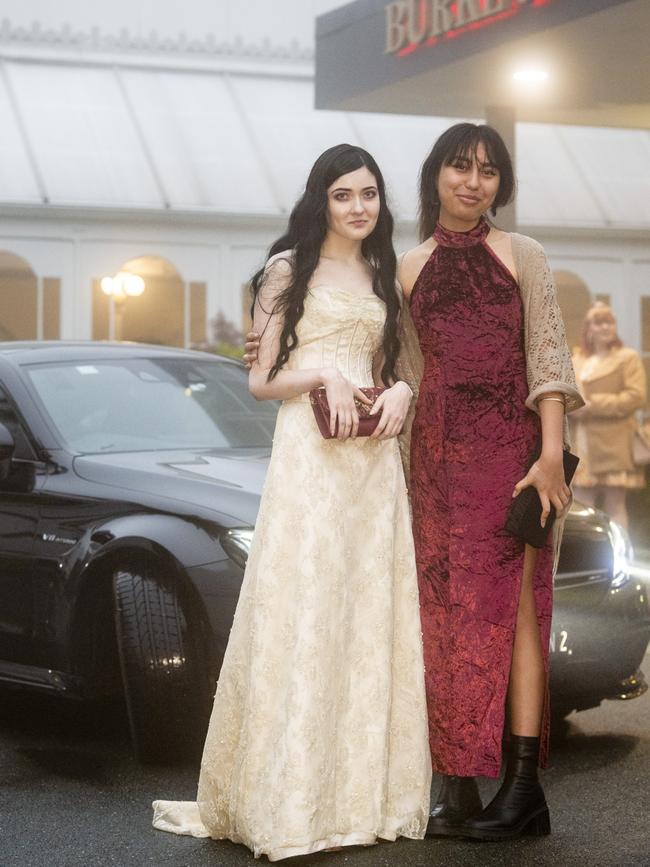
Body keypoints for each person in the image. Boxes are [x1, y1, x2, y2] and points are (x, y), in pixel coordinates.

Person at [151, 144, 431, 861]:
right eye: (344, 195)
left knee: (366, 617)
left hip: (371, 467)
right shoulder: (287, 269)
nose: (359, 206)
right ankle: (290, 798)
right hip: (311, 461)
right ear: (321, 200)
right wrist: (318, 375)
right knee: (305, 610)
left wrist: (399, 389)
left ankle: (360, 800)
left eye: (369, 193)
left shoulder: (383, 273)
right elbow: (260, 377)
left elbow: (403, 366)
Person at [394, 123, 583, 841]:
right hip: (436, 466)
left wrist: (549, 453)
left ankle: (524, 786)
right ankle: (454, 785)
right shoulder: (409, 266)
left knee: (520, 616)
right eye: (459, 167)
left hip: (516, 461)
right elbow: (409, 375)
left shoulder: (521, 254)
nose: (473, 182)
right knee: (442, 621)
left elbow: (549, 355)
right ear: (435, 175)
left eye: (488, 171)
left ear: (500, 184)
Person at [571, 302, 647, 529]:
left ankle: (621, 560)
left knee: (615, 506)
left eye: (609, 322)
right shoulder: (577, 360)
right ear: (588, 329)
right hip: (581, 444)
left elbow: (636, 397)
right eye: (599, 322)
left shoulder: (627, 358)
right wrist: (571, 407)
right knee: (582, 506)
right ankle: (591, 559)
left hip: (613, 443)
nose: (605, 327)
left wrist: (593, 405)